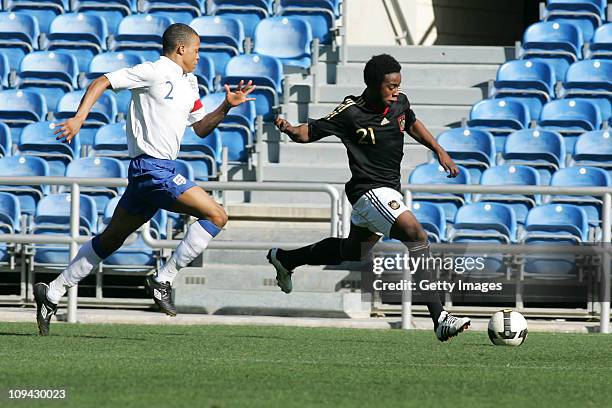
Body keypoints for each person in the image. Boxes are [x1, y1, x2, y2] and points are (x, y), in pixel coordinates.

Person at [33, 23, 256, 336]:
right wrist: (80, 117)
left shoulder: (190, 82)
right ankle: (164, 277)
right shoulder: (152, 71)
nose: (198, 57)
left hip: (151, 172)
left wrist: (225, 107)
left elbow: (201, 128)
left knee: (111, 239)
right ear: (181, 49)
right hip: (151, 169)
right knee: (216, 215)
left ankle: (53, 291)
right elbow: (102, 81)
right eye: (196, 50)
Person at [268, 54, 470, 342]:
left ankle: (286, 259)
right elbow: (308, 133)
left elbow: (410, 122)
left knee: (354, 252)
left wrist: (438, 150)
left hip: (385, 193)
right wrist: (289, 129)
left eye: (399, 85)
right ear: (374, 85)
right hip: (369, 191)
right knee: (416, 234)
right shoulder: (351, 112)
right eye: (391, 86)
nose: (396, 91)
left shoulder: (400, 102)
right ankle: (440, 317)